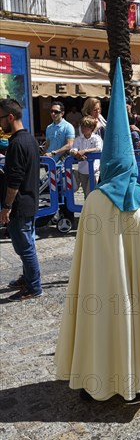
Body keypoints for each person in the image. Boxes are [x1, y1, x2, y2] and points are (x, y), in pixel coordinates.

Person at [55, 59, 140, 402]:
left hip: (99, 291)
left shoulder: (94, 202)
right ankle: (135, 379)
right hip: (133, 291)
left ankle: (96, 377)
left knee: (98, 314)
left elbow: (83, 258)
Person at [0, 99, 42, 301]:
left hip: (20, 205)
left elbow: (15, 182)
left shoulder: (17, 143)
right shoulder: (30, 139)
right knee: (27, 245)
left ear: (10, 117)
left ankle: (33, 287)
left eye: (0, 118)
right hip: (29, 201)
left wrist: (6, 207)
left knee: (25, 248)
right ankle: (27, 278)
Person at [42, 101, 75, 224]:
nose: (53, 114)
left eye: (56, 111)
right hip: (49, 164)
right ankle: (52, 216)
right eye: (51, 111)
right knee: (51, 191)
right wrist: (42, 155)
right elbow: (47, 144)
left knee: (64, 191)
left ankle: (67, 218)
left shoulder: (68, 126)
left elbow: (70, 144)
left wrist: (54, 153)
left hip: (62, 164)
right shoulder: (49, 127)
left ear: (62, 113)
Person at [70, 116, 103, 199]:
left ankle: (91, 211)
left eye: (86, 126)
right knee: (86, 194)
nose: (83, 129)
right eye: (82, 126)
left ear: (91, 128)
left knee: (90, 194)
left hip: (94, 170)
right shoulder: (78, 139)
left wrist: (85, 151)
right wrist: (75, 153)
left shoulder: (96, 138)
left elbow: (99, 148)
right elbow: (73, 149)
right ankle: (89, 210)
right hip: (82, 171)